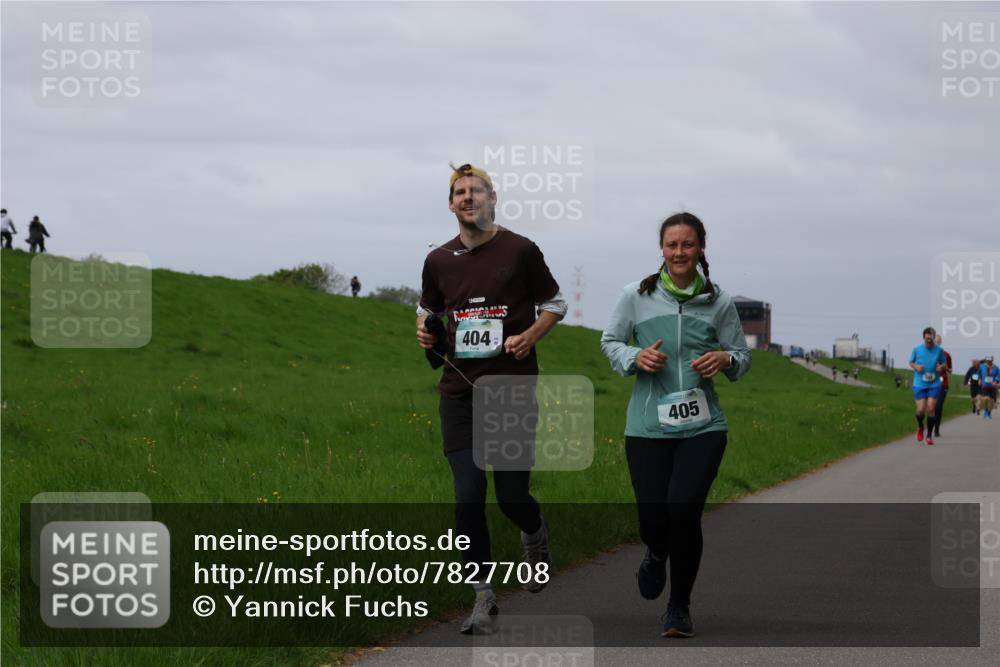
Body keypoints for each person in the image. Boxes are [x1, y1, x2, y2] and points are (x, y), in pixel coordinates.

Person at [416, 163, 566, 635]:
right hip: (458, 393)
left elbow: (555, 303)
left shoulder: (520, 250)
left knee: (511, 497)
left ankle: (534, 533)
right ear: (451, 204)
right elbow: (427, 310)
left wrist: (530, 335)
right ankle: (482, 596)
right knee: (467, 497)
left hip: (510, 391)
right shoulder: (438, 260)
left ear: (492, 199)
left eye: (476, 190)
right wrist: (425, 332)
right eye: (459, 192)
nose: (468, 197)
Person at [600, 211, 751, 639]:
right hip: (647, 427)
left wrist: (725, 358)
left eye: (687, 244)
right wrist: (636, 356)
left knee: (684, 511)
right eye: (672, 245)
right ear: (662, 250)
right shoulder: (635, 295)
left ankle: (679, 607)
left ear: (701, 249)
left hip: (703, 427)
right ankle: (655, 551)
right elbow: (610, 343)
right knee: (654, 519)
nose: (679, 252)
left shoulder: (719, 301)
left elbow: (742, 357)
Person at [908, 327, 948, 445]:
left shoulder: (939, 350)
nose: (929, 341)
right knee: (920, 410)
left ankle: (929, 436)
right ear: (924, 338)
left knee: (931, 408)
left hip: (934, 383)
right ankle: (920, 427)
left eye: (931, 339)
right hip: (919, 383)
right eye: (927, 339)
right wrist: (916, 367)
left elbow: (944, 363)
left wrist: (941, 367)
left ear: (934, 338)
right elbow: (911, 362)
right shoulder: (917, 349)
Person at [933, 335, 953, 436]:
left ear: (940, 343)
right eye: (935, 342)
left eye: (938, 342)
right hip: (931, 383)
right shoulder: (928, 354)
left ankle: (936, 429)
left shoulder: (946, 355)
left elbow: (950, 370)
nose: (937, 343)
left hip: (943, 383)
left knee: (939, 406)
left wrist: (945, 368)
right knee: (931, 407)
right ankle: (930, 425)